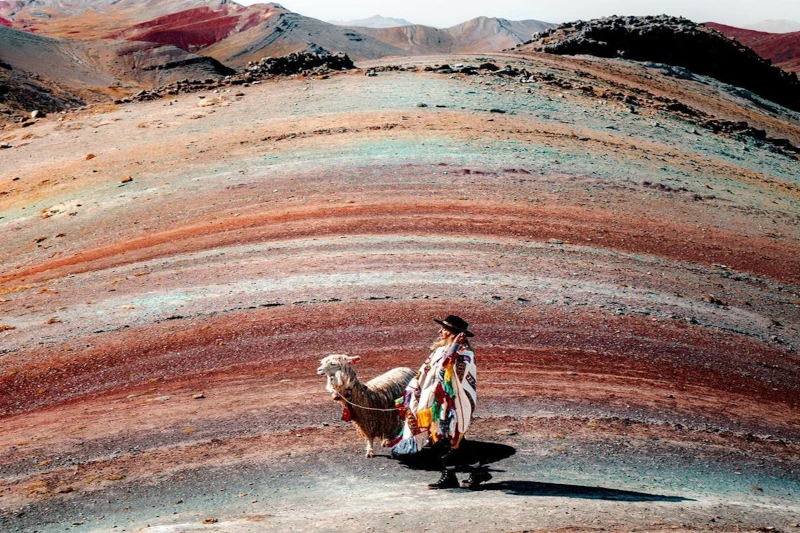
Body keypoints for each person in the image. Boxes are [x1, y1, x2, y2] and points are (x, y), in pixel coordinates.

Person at [391, 315, 491, 489]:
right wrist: (410, 393)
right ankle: (475, 471)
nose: (440, 332)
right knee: (445, 439)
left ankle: (452, 475)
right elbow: (424, 373)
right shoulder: (439, 351)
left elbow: (450, 374)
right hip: (433, 403)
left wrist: (454, 348)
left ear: (455, 333)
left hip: (451, 405)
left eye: (445, 329)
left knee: (448, 438)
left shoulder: (464, 355)